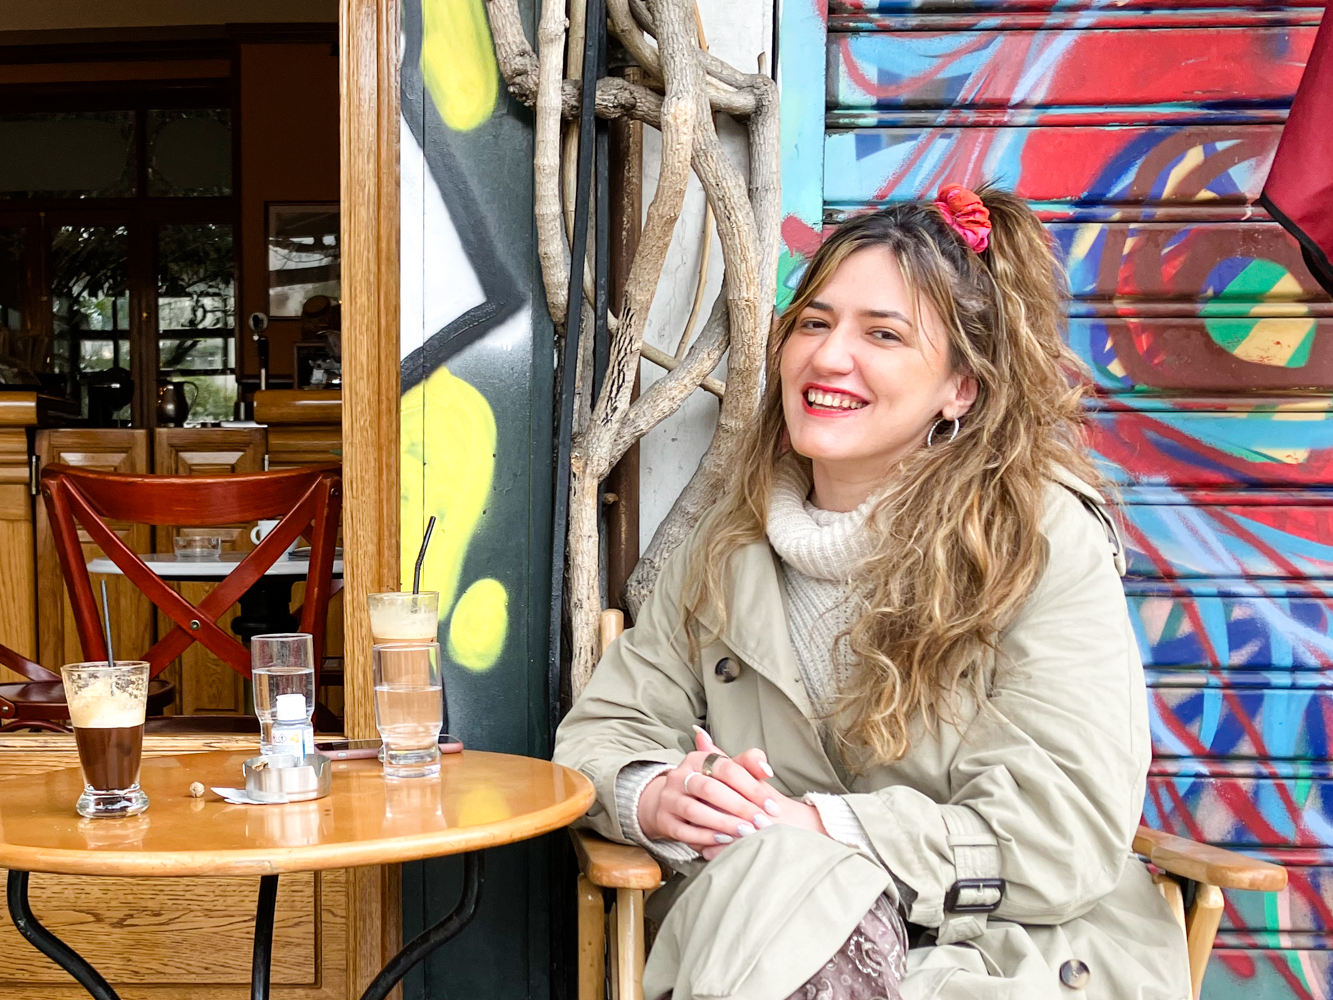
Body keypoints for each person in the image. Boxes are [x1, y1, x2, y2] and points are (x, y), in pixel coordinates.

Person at [554, 185, 1191, 1000]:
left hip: (999, 953)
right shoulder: (729, 543)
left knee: (790, 867)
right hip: (766, 942)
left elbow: (1058, 827)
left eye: (882, 334)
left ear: (960, 386)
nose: (826, 357)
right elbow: (606, 732)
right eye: (813, 323)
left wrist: (821, 828)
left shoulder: (1037, 542)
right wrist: (658, 795)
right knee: (783, 876)